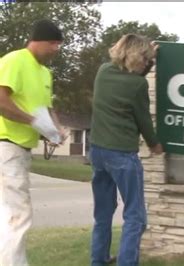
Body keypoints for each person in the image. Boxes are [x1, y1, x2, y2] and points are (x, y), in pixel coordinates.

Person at [90, 34, 162, 266]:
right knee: (135, 217)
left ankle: (98, 260)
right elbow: (143, 120)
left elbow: (130, 75)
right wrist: (154, 144)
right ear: (135, 56)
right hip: (122, 155)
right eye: (144, 58)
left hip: (98, 152)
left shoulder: (103, 72)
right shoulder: (138, 85)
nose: (145, 63)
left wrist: (149, 59)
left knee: (103, 213)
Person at [0, 19, 64, 266]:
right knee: (19, 213)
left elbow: (46, 108)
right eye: (54, 43)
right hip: (6, 145)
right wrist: (33, 122)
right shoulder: (14, 60)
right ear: (38, 40)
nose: (57, 49)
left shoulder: (45, 73)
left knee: (8, 213)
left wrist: (54, 130)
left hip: (23, 149)